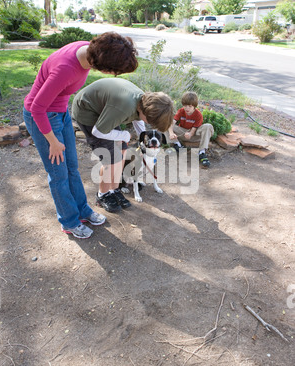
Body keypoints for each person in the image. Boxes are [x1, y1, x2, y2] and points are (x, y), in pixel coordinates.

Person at [23, 32, 139, 238]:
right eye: (113, 70)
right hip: (43, 117)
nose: (113, 74)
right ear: (103, 64)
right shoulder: (66, 69)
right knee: (59, 174)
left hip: (60, 113)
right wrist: (53, 141)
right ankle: (68, 221)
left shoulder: (88, 49)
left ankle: (82, 210)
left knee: (72, 168)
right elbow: (36, 108)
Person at [71, 77, 174, 213]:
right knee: (111, 159)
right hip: (87, 112)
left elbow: (138, 120)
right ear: (146, 112)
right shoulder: (124, 107)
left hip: (106, 111)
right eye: (151, 121)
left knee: (123, 152)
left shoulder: (143, 103)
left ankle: (114, 189)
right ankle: (102, 195)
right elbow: (98, 131)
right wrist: (123, 135)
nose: (150, 124)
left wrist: (142, 138)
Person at [167, 91, 214, 167]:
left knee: (208, 126)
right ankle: (177, 145)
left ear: (194, 106)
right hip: (183, 133)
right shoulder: (181, 111)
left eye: (189, 106)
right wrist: (171, 133)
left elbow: (194, 129)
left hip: (194, 134)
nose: (187, 108)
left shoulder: (198, 115)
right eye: (185, 106)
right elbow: (172, 122)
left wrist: (190, 134)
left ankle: (202, 152)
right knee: (167, 124)